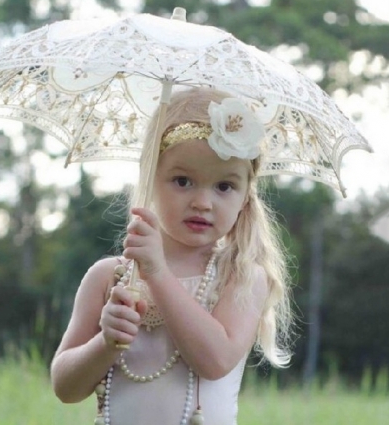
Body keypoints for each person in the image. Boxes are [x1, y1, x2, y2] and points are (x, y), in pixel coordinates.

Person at [50, 87, 293, 425]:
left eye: (224, 186)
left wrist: (158, 272)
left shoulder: (241, 276)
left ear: (245, 200)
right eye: (182, 181)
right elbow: (65, 387)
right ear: (150, 180)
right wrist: (105, 343)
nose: (203, 202)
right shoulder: (109, 277)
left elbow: (216, 360)